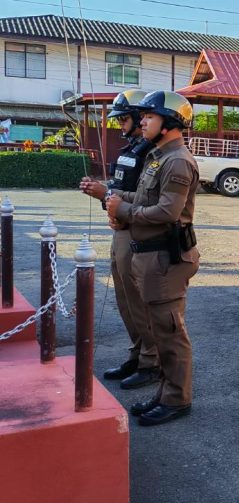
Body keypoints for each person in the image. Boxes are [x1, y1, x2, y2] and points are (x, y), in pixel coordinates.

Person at [105, 90, 200, 427]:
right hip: (150, 256)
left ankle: (177, 399)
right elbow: (147, 197)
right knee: (159, 330)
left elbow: (166, 212)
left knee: (170, 333)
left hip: (165, 257)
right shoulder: (159, 156)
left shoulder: (177, 160)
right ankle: (165, 393)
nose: (142, 121)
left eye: (149, 116)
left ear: (169, 122)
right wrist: (115, 197)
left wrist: (123, 209)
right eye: (142, 116)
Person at [79, 90, 160, 391]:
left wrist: (108, 196)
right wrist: (104, 196)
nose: (119, 124)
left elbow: (148, 199)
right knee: (125, 301)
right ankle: (138, 354)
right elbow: (121, 187)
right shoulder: (132, 149)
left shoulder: (154, 154)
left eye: (124, 119)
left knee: (140, 301)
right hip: (123, 229)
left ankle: (152, 362)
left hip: (139, 232)